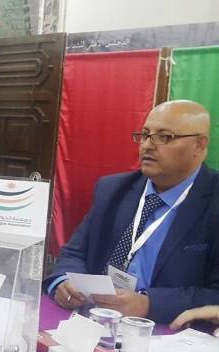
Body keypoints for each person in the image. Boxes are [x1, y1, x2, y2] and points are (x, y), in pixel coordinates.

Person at [45, 100, 219, 324]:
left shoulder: (213, 200)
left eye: (165, 137)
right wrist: (63, 281)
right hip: (94, 319)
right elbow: (74, 253)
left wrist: (149, 304)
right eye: (145, 135)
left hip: (165, 331)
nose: (147, 146)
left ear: (199, 146)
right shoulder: (113, 189)